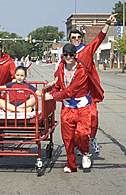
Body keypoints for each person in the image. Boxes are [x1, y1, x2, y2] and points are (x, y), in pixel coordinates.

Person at [48, 13, 117, 155]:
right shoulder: (65, 56)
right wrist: (54, 83)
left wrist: (107, 24)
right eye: (73, 38)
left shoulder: (86, 51)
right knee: (70, 123)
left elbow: (99, 39)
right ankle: (75, 145)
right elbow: (59, 73)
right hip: (69, 94)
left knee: (93, 116)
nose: (76, 40)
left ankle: (90, 139)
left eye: (79, 37)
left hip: (85, 93)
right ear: (69, 39)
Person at [45, 44, 104, 173]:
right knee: (68, 138)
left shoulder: (82, 70)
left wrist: (52, 96)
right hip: (67, 108)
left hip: (82, 107)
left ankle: (85, 153)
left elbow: (71, 91)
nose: (68, 57)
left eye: (71, 55)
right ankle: (71, 164)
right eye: (65, 55)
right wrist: (52, 90)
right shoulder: (61, 67)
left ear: (75, 55)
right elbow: (59, 85)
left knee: (82, 133)